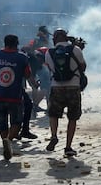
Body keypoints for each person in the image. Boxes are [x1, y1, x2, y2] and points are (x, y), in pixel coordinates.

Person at [0, 34, 32, 161]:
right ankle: (9, 140)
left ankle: (4, 140)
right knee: (17, 121)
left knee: (1, 122)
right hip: (15, 96)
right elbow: (28, 74)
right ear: (17, 44)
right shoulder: (22, 57)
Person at [44, 28, 86, 157]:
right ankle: (68, 147)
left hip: (56, 87)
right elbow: (83, 67)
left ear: (54, 39)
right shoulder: (76, 50)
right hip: (73, 87)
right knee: (72, 118)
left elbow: (50, 69)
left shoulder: (49, 52)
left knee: (53, 114)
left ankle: (54, 136)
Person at [28, 25, 52, 110]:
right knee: (39, 86)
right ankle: (36, 106)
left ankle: (49, 105)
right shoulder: (35, 41)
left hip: (45, 65)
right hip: (37, 65)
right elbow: (30, 50)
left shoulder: (48, 40)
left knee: (46, 86)